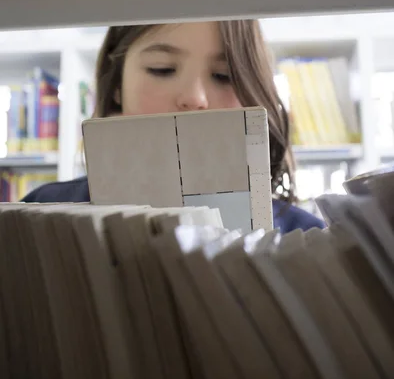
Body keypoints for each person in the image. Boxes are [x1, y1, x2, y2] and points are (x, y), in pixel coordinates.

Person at [23, 20, 325, 234]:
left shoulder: (305, 238)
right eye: (162, 69)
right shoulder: (37, 214)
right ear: (116, 85)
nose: (195, 98)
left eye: (224, 75)